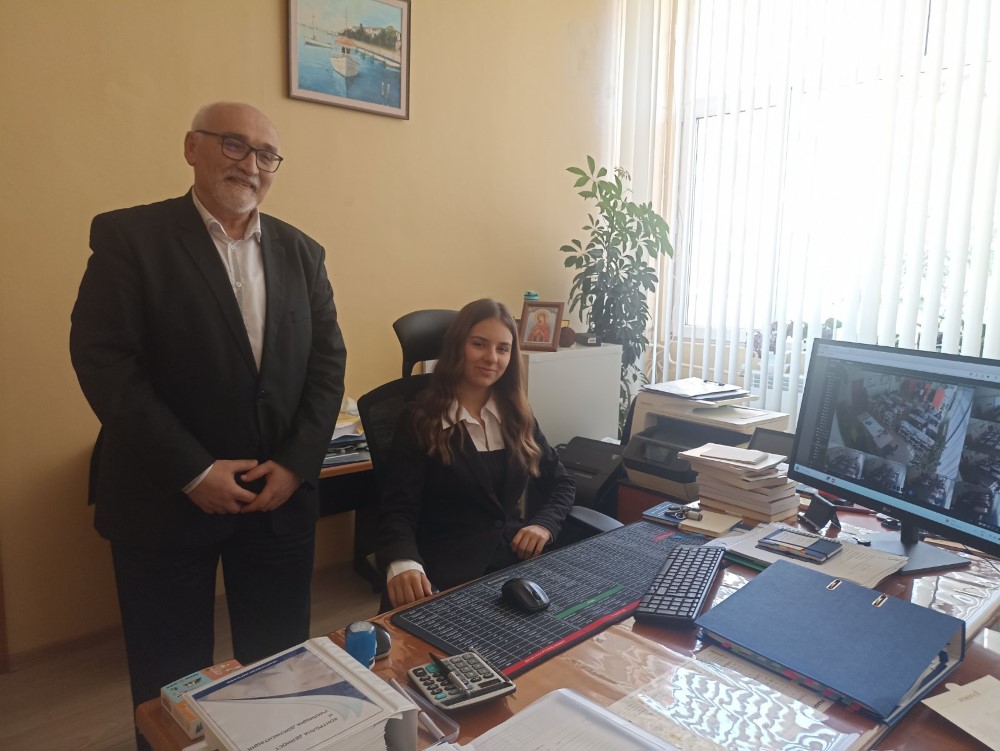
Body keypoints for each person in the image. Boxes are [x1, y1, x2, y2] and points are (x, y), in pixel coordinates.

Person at [69, 102, 347, 721]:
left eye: (266, 155)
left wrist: (297, 463)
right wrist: (193, 471)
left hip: (276, 501)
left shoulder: (304, 253)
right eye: (233, 144)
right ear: (192, 147)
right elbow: (104, 362)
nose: (250, 165)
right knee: (170, 684)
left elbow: (328, 364)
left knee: (280, 671)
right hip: (164, 499)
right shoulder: (129, 238)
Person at [376, 299, 574, 608]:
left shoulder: (518, 417)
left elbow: (562, 483)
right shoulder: (421, 420)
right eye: (479, 344)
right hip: (441, 573)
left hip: (512, 567)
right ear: (458, 346)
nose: (491, 358)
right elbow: (398, 508)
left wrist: (544, 524)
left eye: (502, 348)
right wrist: (403, 562)